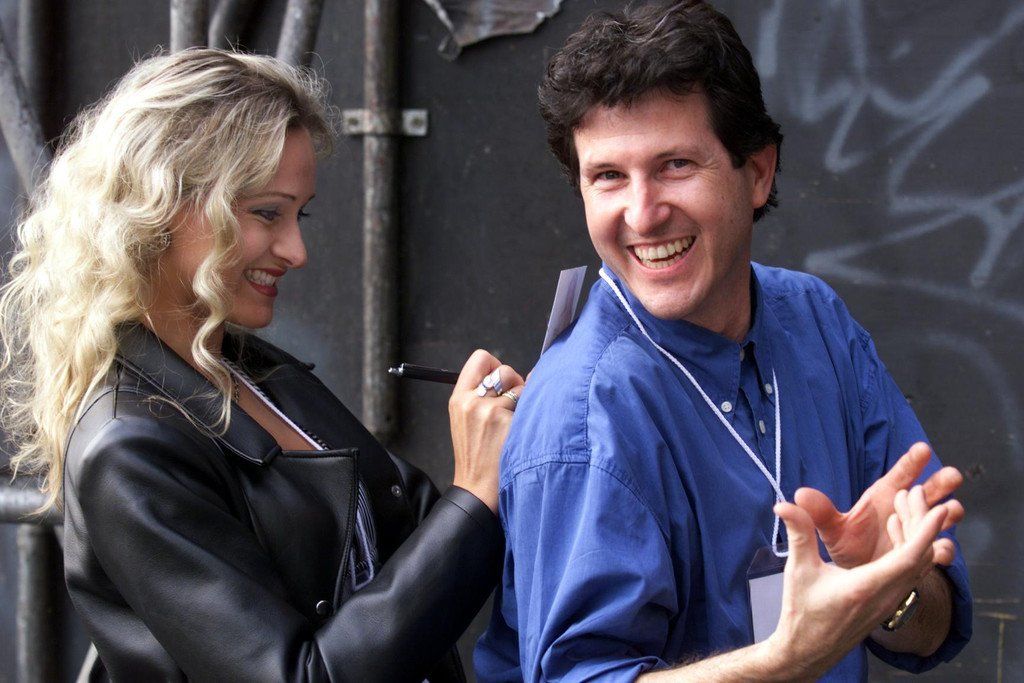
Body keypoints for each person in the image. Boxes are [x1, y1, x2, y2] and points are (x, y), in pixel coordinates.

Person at [474, 2, 972, 681]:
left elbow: (936, 626)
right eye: (608, 176)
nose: (643, 213)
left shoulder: (814, 319)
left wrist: (889, 589)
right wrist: (786, 658)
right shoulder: (584, 414)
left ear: (758, 172)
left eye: (675, 164)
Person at [0, 49, 525, 681]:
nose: (297, 250)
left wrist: (515, 443)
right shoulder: (127, 447)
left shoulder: (251, 371)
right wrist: (474, 495)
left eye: (299, 214)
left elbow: (413, 533)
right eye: (267, 213)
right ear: (164, 201)